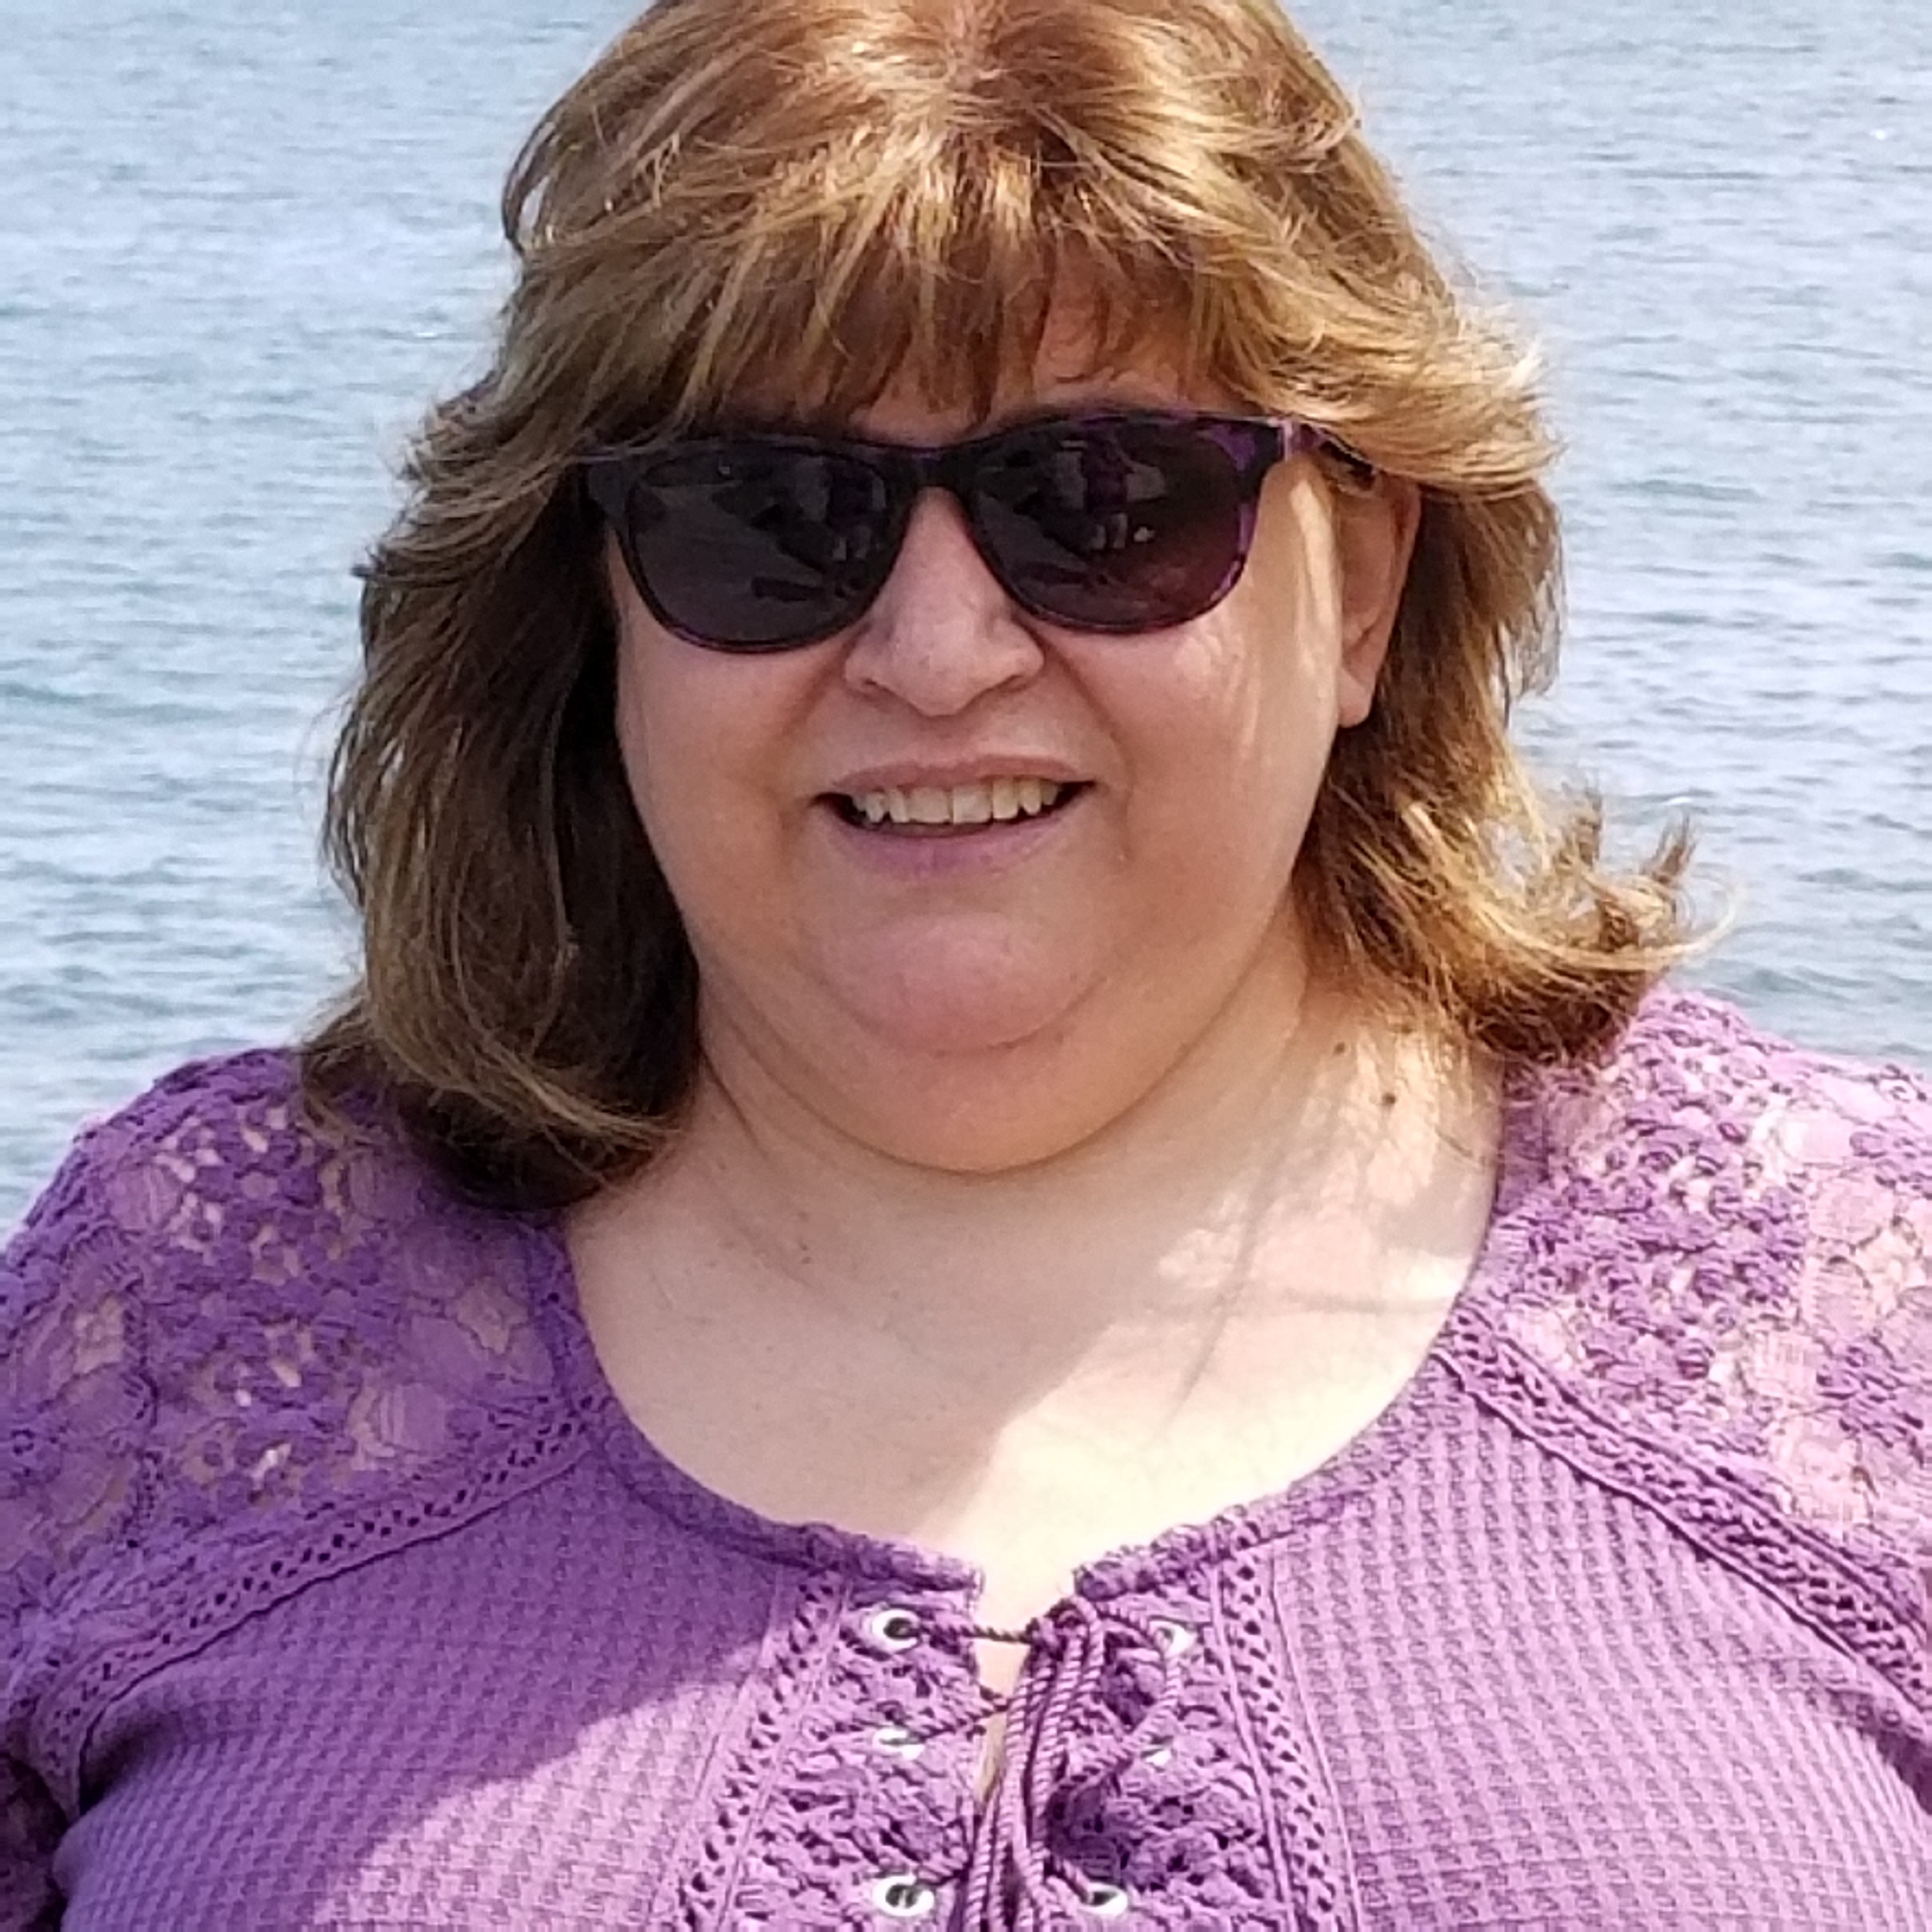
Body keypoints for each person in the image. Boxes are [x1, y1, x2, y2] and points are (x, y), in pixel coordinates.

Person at [4, 0, 1928, 1923]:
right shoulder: (176, 1323)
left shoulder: (1868, 1305)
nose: (936, 652)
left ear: (1363, 584)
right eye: (770, 517)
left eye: (1106, 502)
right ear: (594, 611)